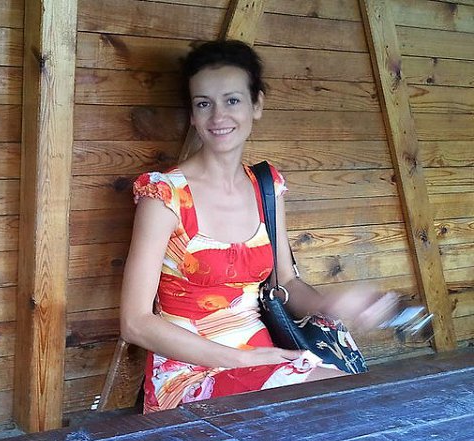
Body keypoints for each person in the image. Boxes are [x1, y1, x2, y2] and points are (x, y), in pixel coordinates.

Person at [120, 40, 395, 413]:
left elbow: (287, 284)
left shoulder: (266, 187)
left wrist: (332, 304)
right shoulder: (165, 195)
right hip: (190, 374)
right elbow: (135, 323)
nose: (218, 116)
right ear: (193, 115)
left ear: (257, 104)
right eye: (204, 104)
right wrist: (242, 360)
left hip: (266, 360)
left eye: (232, 100)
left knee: (352, 403)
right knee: (339, 404)